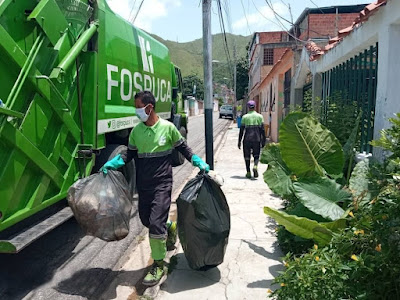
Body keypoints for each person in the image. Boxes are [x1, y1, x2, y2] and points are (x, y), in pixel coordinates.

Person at [101, 91, 209, 286]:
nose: (136, 111)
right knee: (146, 220)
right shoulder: (136, 132)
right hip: (144, 186)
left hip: (163, 184)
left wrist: (197, 161)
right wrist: (113, 163)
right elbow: (129, 155)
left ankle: (159, 264)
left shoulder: (168, 129)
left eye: (138, 107)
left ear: (149, 108)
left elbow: (183, 149)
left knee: (155, 225)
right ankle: (170, 227)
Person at [237, 100, 266, 179]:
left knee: (247, 156)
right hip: (257, 139)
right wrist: (264, 141)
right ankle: (255, 166)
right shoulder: (260, 117)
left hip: (247, 139)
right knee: (256, 155)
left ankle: (248, 172)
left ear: (248, 107)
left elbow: (241, 131)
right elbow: (262, 130)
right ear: (255, 107)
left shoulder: (245, 117)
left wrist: (239, 141)